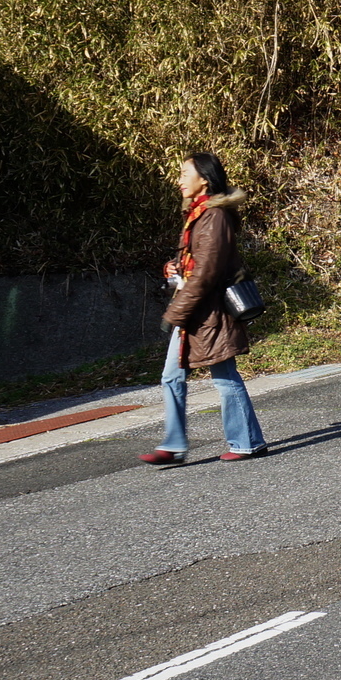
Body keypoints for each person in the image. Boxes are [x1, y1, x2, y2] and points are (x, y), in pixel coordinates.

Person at [139, 152, 269, 464]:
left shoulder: (214, 216)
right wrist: (174, 266)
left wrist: (174, 314)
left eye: (185, 173)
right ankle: (173, 444)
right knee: (172, 376)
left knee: (224, 377)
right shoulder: (198, 213)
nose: (180, 180)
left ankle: (248, 442)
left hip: (211, 314)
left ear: (205, 179)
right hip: (194, 310)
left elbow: (207, 273)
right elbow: (195, 261)